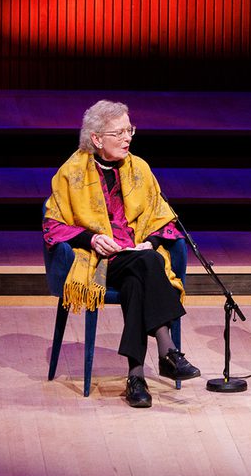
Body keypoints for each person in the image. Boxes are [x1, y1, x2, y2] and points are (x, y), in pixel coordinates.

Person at [43, 100, 200, 408]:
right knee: (150, 264)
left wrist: (150, 242)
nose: (128, 137)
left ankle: (136, 379)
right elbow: (52, 224)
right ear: (97, 139)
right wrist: (91, 238)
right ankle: (168, 350)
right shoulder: (71, 172)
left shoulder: (139, 168)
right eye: (119, 132)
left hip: (135, 258)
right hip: (97, 262)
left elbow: (162, 216)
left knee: (138, 280)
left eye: (130, 130)